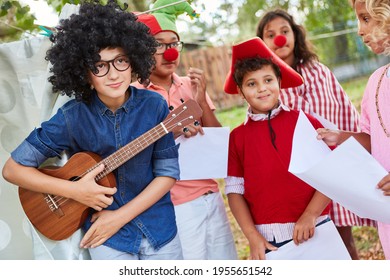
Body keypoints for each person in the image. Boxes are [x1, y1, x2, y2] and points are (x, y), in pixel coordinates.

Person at [2, 0, 183, 260]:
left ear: (133, 61)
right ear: (84, 73)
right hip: (106, 240)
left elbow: (167, 173)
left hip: (159, 229)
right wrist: (75, 191)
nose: (113, 74)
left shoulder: (155, 105)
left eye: (120, 60)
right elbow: (12, 170)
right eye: (99, 66)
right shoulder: (71, 117)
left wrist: (118, 218)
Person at [256, 8, 376, 260]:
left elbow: (344, 111)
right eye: (271, 34)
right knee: (309, 248)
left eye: (285, 31)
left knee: (344, 243)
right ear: (262, 42)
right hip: (298, 177)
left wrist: (355, 151)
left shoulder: (319, 71)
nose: (279, 38)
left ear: (296, 35)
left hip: (333, 169)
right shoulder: (267, 83)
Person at [132, 0, 237, 260]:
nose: (170, 52)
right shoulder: (135, 95)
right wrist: (173, 131)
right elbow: (135, 152)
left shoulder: (189, 85)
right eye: (159, 44)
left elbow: (217, 143)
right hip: (174, 204)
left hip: (211, 194)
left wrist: (201, 101)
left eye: (174, 43)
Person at [223, 37, 331, 260]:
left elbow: (331, 174)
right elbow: (234, 191)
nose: (262, 89)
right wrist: (252, 236)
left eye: (268, 80)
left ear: (279, 82)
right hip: (270, 241)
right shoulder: (237, 137)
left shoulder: (306, 122)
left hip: (317, 228)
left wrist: (311, 214)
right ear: (241, 93)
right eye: (251, 84)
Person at [317, 0, 390, 260]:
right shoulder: (376, 82)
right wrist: (341, 137)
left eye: (366, 19)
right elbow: (375, 140)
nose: (359, 30)